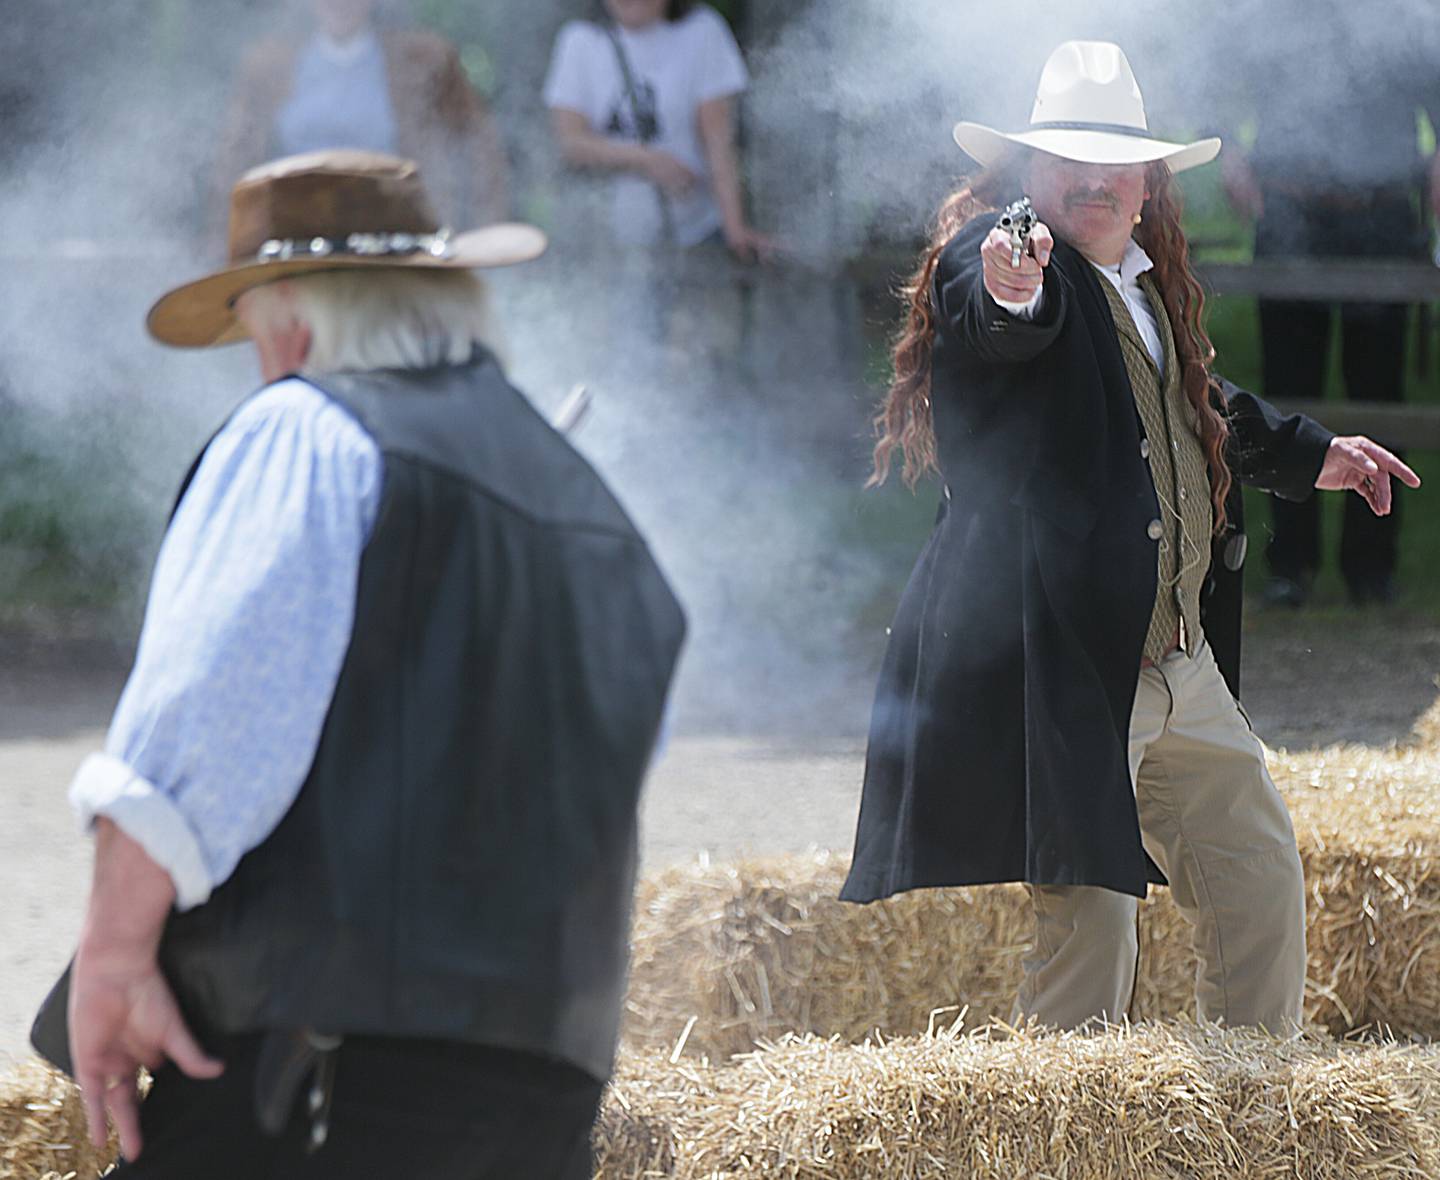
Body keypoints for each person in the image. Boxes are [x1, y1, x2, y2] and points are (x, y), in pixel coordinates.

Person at [36, 149, 685, 1177]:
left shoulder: (304, 427)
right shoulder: (592, 508)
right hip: (544, 1090)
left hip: (321, 1073)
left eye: (253, 333)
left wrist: (113, 961)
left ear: (289, 317)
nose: (261, 362)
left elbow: (201, 729)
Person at [841, 43, 1419, 1033]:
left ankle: (1249, 1109)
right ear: (1030, 172)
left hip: (1177, 661)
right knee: (1093, 930)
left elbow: (1195, 408)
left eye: (1116, 160)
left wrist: (1316, 452)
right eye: (1069, 159)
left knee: (1258, 873)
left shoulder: (1147, 291)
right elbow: (997, 316)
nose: (1093, 178)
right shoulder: (1010, 257)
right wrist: (1011, 288)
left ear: (1150, 181)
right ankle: (1070, 1138)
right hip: (1072, 663)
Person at [1214, 5, 1440, 606]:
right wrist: (1230, 150)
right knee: (1289, 389)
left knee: (1379, 393)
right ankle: (1291, 565)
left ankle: (1373, 569)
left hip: (1386, 216)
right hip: (1289, 211)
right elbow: (1212, 65)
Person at [212, 0, 509, 236]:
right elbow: (235, 156)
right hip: (295, 236)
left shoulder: (424, 58)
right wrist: (226, 240)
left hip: (393, 233)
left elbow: (479, 142)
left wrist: (487, 229)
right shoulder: (268, 64)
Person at [543, 0, 772, 262]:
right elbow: (571, 143)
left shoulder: (702, 31)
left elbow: (718, 142)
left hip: (693, 235)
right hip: (608, 247)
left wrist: (735, 229)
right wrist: (649, 160)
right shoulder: (580, 40)